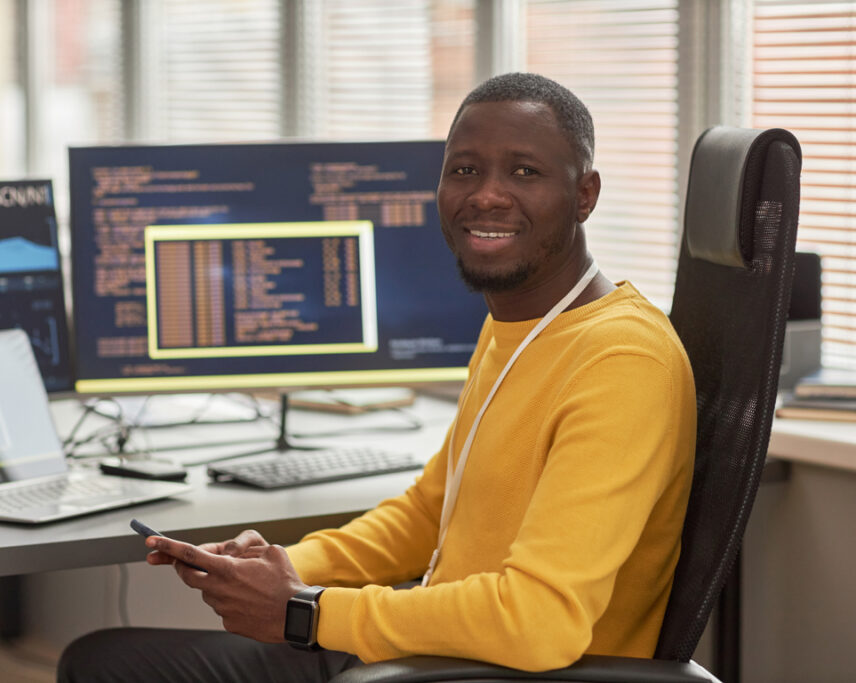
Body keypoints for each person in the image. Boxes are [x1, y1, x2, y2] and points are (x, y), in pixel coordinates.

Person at [57, 72, 696, 682]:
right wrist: (282, 567)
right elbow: (428, 516)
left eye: (524, 172)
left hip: (500, 674)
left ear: (585, 194)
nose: (487, 194)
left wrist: (306, 611)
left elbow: (539, 623)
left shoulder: (619, 361)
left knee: (105, 667)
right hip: (444, 658)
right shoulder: (522, 323)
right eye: (465, 170)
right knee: (101, 658)